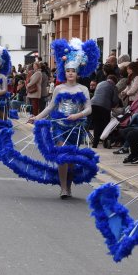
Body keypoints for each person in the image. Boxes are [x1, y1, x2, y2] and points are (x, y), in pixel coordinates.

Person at [29, 37, 100, 198]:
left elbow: (89, 109)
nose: (70, 74)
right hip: (60, 126)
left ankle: (68, 185)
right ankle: (63, 188)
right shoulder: (59, 89)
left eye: (73, 71)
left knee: (72, 161)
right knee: (62, 156)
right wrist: (37, 118)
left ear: (77, 73)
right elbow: (51, 106)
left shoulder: (83, 89)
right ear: (64, 72)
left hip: (76, 128)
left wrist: (78, 115)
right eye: (68, 71)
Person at [90, 75, 119, 148]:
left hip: (93, 104)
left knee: (97, 124)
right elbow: (115, 100)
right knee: (106, 124)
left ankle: (95, 144)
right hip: (104, 107)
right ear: (115, 82)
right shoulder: (114, 87)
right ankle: (106, 142)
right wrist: (112, 105)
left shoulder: (100, 83)